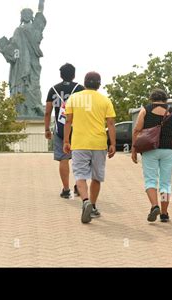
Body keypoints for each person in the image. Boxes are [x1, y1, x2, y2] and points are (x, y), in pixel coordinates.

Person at [63, 72, 117, 224]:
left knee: (80, 175)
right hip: (99, 143)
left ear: (84, 83)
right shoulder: (105, 100)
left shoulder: (74, 98)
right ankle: (92, 205)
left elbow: (68, 121)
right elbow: (111, 123)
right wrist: (112, 143)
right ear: (99, 84)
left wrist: (66, 141)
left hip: (79, 143)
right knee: (96, 177)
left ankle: (85, 200)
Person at [131, 89, 172, 223]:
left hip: (150, 149)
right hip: (169, 150)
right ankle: (164, 213)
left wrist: (134, 150)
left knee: (150, 180)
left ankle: (154, 206)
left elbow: (137, 130)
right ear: (165, 99)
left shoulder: (145, 110)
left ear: (151, 98)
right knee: (165, 182)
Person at [44, 63, 84, 198]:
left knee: (63, 159)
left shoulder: (53, 90)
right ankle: (80, 186)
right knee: (80, 160)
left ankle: (66, 189)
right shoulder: (80, 89)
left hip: (60, 128)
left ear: (61, 75)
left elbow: (47, 112)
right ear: (74, 74)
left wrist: (47, 130)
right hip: (78, 128)